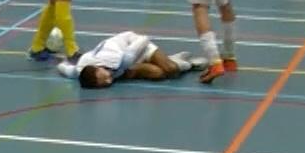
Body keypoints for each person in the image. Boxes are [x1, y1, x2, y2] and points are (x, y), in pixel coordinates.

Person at [58, 30, 203, 88]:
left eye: (105, 78)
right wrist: (60, 61)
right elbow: (66, 69)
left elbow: (145, 39)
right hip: (128, 65)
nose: (109, 81)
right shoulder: (80, 71)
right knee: (159, 74)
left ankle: (187, 64)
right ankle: (170, 60)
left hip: (137, 46)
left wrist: (142, 43)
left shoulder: (119, 59)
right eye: (104, 83)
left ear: (98, 68)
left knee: (171, 69)